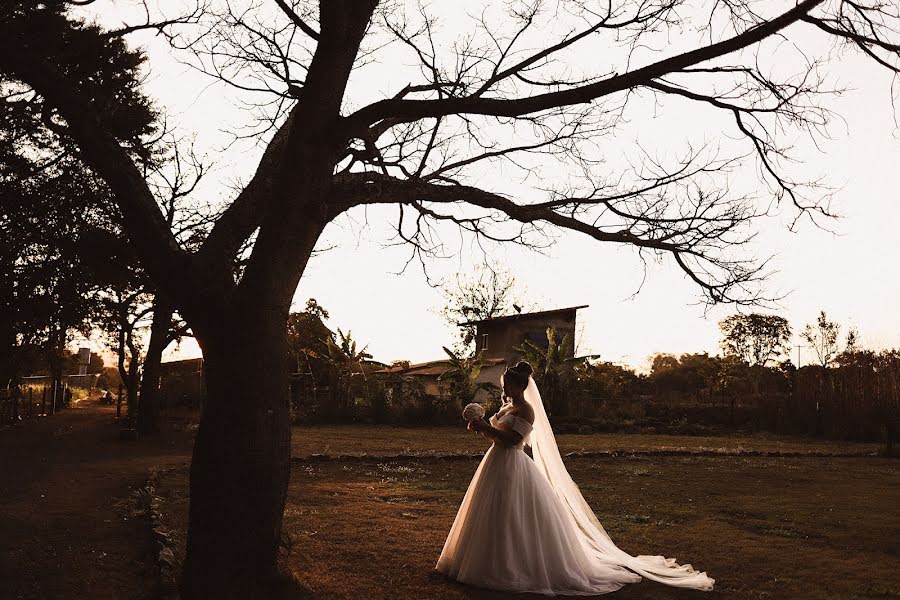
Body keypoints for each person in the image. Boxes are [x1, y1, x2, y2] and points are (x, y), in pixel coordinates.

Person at [435, 361, 714, 595]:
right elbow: (495, 439)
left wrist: (487, 427)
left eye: (508, 385)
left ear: (521, 386)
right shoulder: (506, 409)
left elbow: (513, 439)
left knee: (513, 516)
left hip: (513, 466)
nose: (505, 389)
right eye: (503, 384)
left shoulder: (526, 411)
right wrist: (480, 427)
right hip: (495, 464)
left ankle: (511, 568)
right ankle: (482, 563)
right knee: (489, 514)